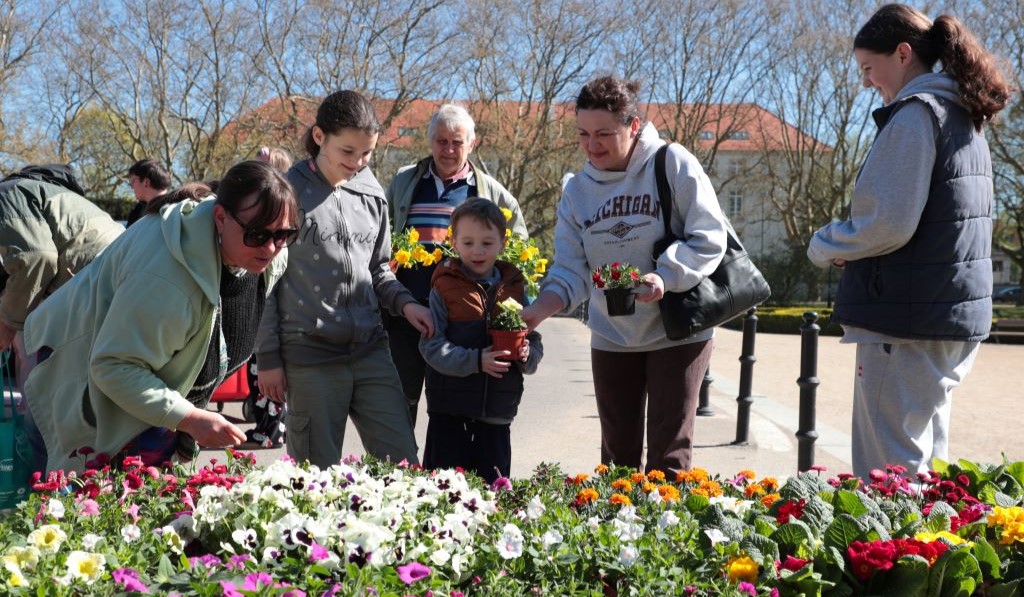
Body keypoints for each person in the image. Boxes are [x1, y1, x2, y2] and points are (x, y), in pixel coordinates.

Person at [807, 4, 1012, 480]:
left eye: (867, 68)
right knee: (926, 471)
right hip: (949, 313)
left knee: (888, 473)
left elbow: (887, 224)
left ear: (902, 54)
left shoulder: (916, 115)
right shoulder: (964, 116)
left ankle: (895, 556)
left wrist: (827, 244)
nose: (865, 82)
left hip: (905, 320)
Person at [23, 161, 298, 473]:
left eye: (285, 234)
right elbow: (114, 365)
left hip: (144, 395)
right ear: (220, 218)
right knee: (74, 511)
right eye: (258, 234)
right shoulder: (168, 280)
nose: (272, 247)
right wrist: (190, 419)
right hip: (74, 382)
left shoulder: (263, 255)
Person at [521, 76, 728, 475]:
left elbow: (709, 236)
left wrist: (665, 276)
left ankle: (667, 532)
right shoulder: (577, 190)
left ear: (633, 127)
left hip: (677, 330)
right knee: (617, 456)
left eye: (603, 133)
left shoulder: (673, 163)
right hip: (612, 333)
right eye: (583, 133)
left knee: (669, 454)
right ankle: (620, 533)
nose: (591, 144)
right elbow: (570, 266)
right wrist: (539, 310)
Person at [256, 90, 432, 469]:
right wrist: (268, 357)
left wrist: (407, 304)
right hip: (310, 359)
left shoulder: (371, 193)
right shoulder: (285, 193)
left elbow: (379, 270)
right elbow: (264, 282)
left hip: (371, 352)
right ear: (320, 137)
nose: (358, 163)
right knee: (315, 477)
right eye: (348, 152)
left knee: (403, 466)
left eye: (367, 153)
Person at [386, 104, 528, 426]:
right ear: (430, 141)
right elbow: (381, 238)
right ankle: (396, 473)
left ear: (472, 144)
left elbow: (519, 254)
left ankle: (446, 473)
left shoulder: (491, 193)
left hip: (461, 323)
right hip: (407, 314)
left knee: (450, 411)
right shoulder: (405, 181)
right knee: (397, 406)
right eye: (441, 141)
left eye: (457, 142)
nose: (448, 149)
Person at [418, 198, 543, 483]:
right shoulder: (444, 285)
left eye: (487, 243)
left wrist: (527, 354)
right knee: (442, 497)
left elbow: (534, 340)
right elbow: (431, 346)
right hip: (448, 414)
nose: (477, 251)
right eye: (468, 242)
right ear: (454, 241)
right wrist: (475, 361)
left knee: (493, 495)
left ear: (502, 242)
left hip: (497, 417)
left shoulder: (515, 287)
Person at [0, 164, 124, 386]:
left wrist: (7, 322)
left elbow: (36, 258)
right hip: (120, 275)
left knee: (55, 381)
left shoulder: (7, 194)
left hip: (91, 282)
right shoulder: (52, 196)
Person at [126, 158, 172, 226]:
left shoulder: (175, 212)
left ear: (146, 182)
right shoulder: (138, 211)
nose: (131, 186)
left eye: (132, 181)